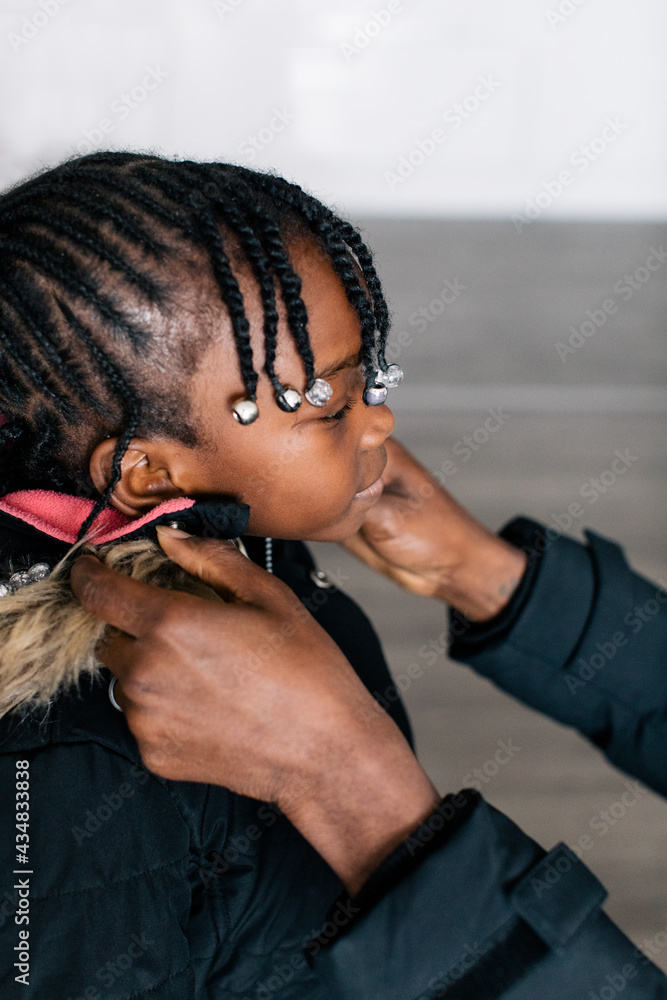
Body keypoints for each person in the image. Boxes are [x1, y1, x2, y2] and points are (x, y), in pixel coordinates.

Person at [0, 151, 664, 999]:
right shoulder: (60, 775)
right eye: (329, 405)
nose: (382, 416)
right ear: (149, 478)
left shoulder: (263, 562)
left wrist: (347, 780)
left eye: (366, 384)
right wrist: (490, 578)